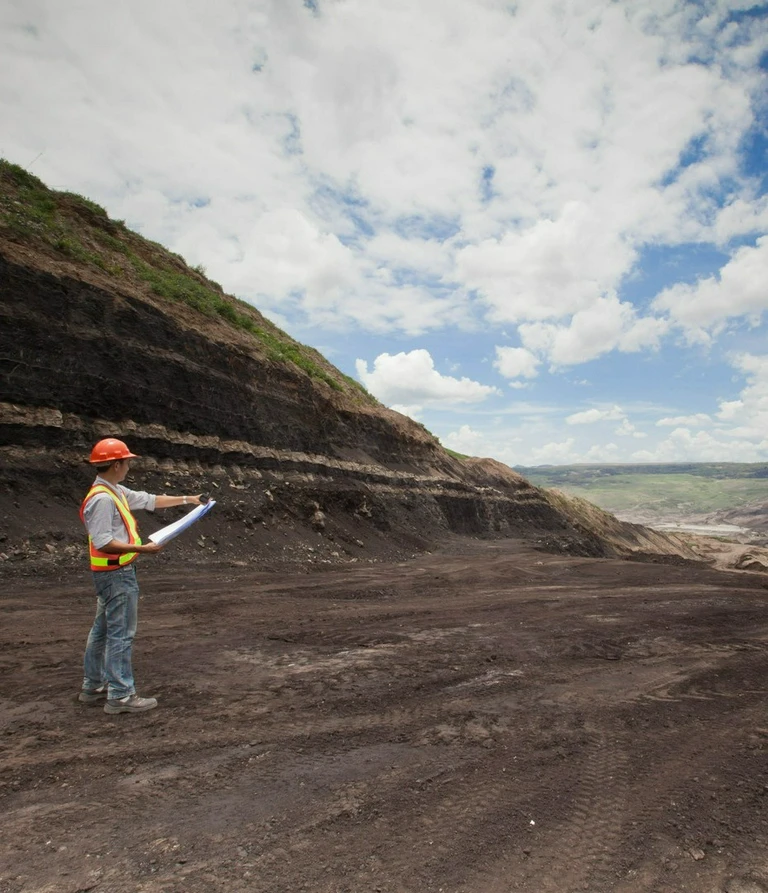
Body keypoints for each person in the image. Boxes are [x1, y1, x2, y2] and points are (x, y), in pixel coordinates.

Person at [78, 438, 202, 715]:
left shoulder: (114, 491)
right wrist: (141, 549)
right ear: (116, 464)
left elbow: (149, 500)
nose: (129, 466)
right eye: (127, 461)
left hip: (112, 574)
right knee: (120, 634)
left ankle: (93, 685)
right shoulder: (102, 499)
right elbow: (103, 541)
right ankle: (120, 695)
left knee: (102, 631)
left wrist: (189, 500)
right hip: (116, 575)